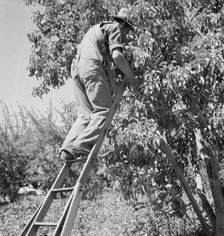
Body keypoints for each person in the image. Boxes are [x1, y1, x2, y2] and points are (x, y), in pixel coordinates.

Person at [60, 8, 137, 160]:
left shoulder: (96, 31)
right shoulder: (114, 27)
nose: (124, 37)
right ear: (123, 26)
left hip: (77, 70)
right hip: (90, 67)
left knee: (86, 115)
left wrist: (112, 89)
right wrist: (132, 78)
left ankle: (67, 149)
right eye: (126, 33)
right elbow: (117, 56)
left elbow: (106, 69)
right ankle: (82, 144)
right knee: (103, 111)